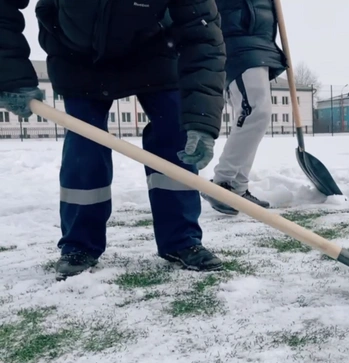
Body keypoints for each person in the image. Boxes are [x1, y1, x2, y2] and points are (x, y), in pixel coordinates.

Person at [0, 0, 227, 279]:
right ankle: (79, 244)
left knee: (175, 135)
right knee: (85, 145)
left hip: (155, 50)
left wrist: (202, 121)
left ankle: (182, 239)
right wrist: (10, 77)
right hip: (76, 54)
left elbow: (203, 36)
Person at [200, 0, 288, 215]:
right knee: (256, 110)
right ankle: (223, 181)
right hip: (237, 41)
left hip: (260, 41)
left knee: (257, 114)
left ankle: (237, 186)